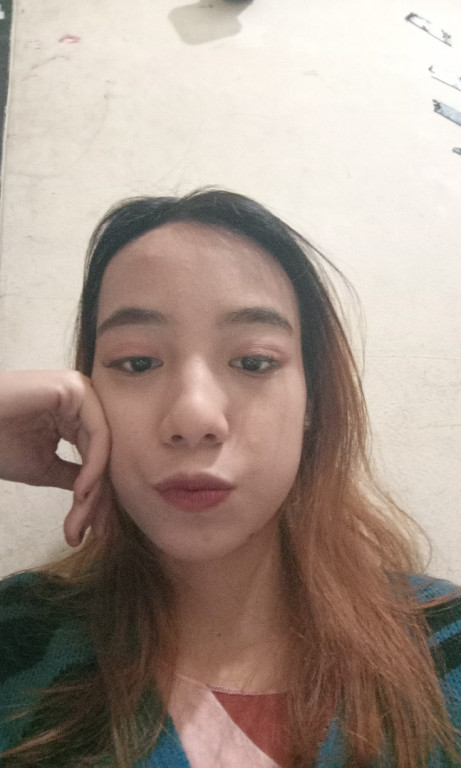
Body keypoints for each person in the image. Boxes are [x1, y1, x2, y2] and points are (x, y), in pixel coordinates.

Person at [0, 189, 459, 768]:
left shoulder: (445, 645)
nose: (194, 417)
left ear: (314, 401)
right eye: (137, 362)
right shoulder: (17, 637)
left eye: (253, 362)